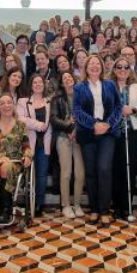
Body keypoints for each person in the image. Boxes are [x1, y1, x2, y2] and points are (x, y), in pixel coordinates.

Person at [73, 55, 122, 227]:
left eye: (97, 64)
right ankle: (94, 209)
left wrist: (108, 124)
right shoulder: (79, 87)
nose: (94, 66)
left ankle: (104, 211)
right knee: (91, 172)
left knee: (104, 168)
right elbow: (77, 110)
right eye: (91, 64)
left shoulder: (110, 84)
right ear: (85, 68)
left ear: (102, 67)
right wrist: (94, 124)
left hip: (108, 133)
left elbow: (118, 107)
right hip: (87, 133)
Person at [110, 56, 137, 219]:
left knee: (130, 168)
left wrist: (133, 110)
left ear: (130, 70)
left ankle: (128, 206)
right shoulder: (108, 86)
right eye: (119, 67)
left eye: (126, 67)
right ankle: (117, 207)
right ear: (114, 70)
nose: (122, 70)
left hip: (132, 133)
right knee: (116, 169)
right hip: (113, 133)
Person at [0, 92, 33, 224]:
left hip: (15, 163)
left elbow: (26, 146)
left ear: (13, 105)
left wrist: (27, 156)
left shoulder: (21, 126)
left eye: (9, 102)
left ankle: (5, 209)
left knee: (6, 166)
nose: (6, 106)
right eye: (2, 103)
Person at [51, 72, 86, 219]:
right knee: (66, 173)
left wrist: (76, 129)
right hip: (63, 138)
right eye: (64, 78)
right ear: (62, 82)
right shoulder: (57, 98)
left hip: (79, 137)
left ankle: (77, 204)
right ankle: (66, 205)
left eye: (69, 77)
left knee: (80, 173)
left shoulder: (82, 96)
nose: (67, 80)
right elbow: (54, 119)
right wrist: (69, 128)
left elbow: (87, 115)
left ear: (74, 80)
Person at [17, 73, 52, 216]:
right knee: (28, 173)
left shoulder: (49, 102)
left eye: (40, 82)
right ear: (31, 86)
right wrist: (38, 125)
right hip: (29, 143)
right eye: (35, 82)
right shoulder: (23, 101)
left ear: (44, 85)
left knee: (42, 175)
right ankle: (27, 202)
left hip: (44, 143)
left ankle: (39, 204)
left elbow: (52, 121)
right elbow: (20, 118)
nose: (38, 84)